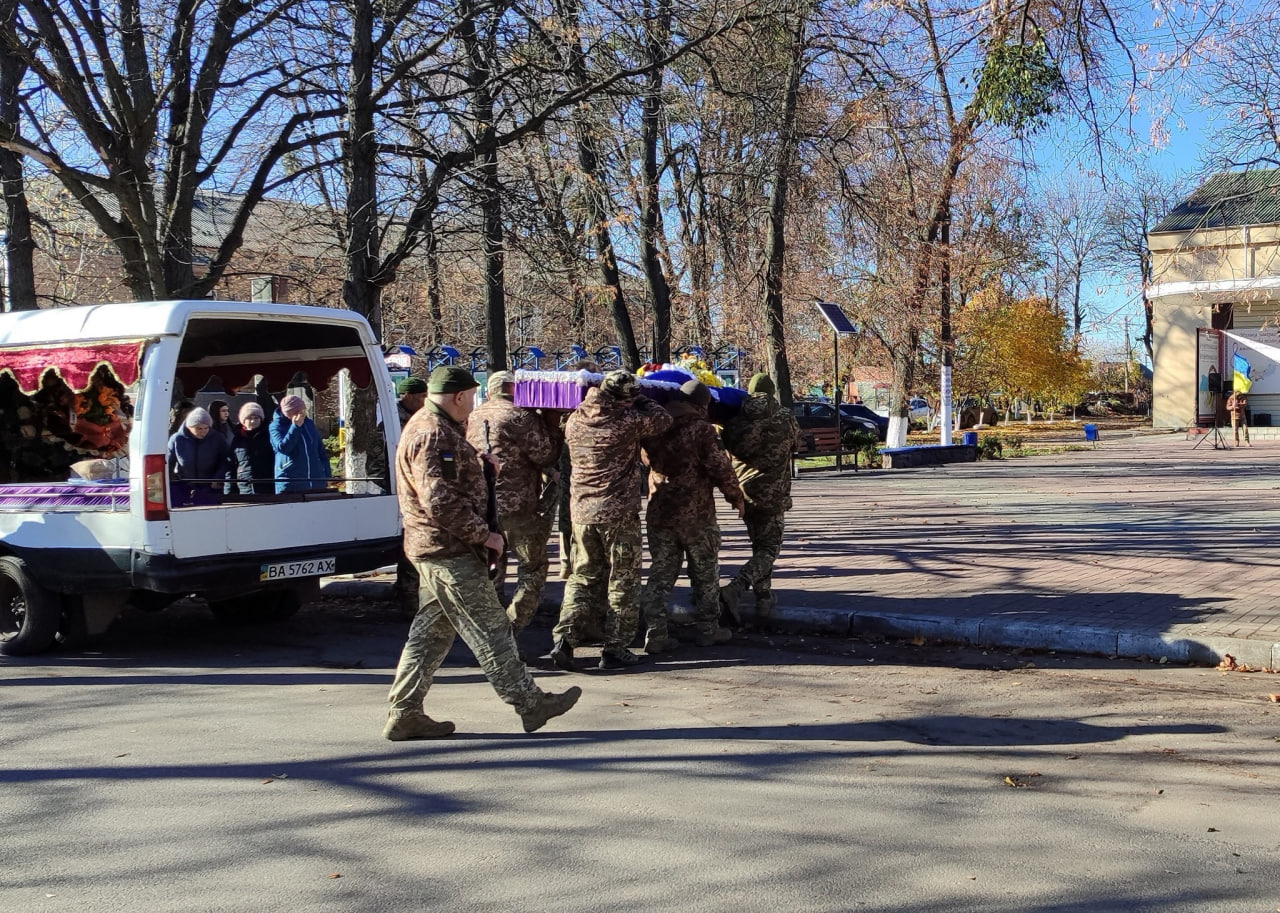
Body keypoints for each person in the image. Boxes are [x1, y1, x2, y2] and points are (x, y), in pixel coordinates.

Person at [385, 365, 581, 739]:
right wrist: (484, 535)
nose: (474, 406)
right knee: (490, 628)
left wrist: (478, 462)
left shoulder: (438, 427)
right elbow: (438, 500)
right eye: (472, 398)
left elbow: (448, 481)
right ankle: (529, 703)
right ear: (459, 396)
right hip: (448, 549)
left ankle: (405, 711)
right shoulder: (432, 433)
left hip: (435, 548)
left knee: (431, 634)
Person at [550, 370, 672, 671]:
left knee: (583, 576)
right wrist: (642, 398)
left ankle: (565, 639)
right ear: (624, 399)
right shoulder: (626, 422)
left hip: (581, 513)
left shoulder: (575, 420)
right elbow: (663, 420)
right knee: (624, 580)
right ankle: (615, 647)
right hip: (617, 514)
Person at [639, 380, 745, 653]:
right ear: (702, 404)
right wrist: (735, 497)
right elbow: (719, 467)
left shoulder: (655, 426)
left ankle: (655, 631)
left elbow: (645, 459)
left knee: (661, 573)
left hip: (661, 509)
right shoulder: (701, 429)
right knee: (705, 571)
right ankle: (708, 628)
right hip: (696, 513)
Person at [466, 370, 561, 636]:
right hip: (518, 506)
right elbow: (546, 454)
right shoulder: (520, 416)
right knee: (533, 567)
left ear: (490, 390)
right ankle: (512, 625)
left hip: (483, 507)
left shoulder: (474, 415)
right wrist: (551, 424)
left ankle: (490, 629)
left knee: (492, 570)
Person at [719, 372, 801, 628]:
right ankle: (736, 588)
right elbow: (796, 444)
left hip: (745, 493)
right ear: (772, 392)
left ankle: (763, 596)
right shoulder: (784, 417)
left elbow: (725, 445)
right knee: (769, 548)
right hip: (773, 493)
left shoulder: (733, 419)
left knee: (759, 545)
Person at [269, 394, 331, 494]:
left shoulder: (309, 423)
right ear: (289, 413)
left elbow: (321, 451)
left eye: (304, 410)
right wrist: (295, 427)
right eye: (299, 411)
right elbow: (283, 448)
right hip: (290, 483)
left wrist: (327, 476)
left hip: (316, 481)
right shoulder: (276, 426)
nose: (303, 414)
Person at [166, 406, 231, 500]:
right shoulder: (177, 439)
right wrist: (173, 480)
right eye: (199, 429)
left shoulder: (217, 438)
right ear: (189, 427)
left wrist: (219, 478)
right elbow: (168, 463)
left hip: (211, 488)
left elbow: (226, 460)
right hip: (185, 487)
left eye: (206, 428)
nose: (203, 432)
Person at [230, 402, 275, 493]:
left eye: (256, 418)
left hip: (267, 486)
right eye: (249, 418)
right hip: (245, 487)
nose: (253, 421)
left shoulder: (269, 436)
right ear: (243, 420)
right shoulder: (237, 439)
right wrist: (229, 491)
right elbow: (231, 466)